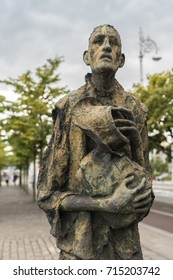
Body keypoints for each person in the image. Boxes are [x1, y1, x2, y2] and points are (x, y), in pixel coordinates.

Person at [37, 24, 154, 260]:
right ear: (87, 57)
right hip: (80, 250)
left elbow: (146, 184)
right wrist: (107, 204)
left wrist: (139, 198)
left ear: (121, 59)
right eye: (98, 41)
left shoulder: (136, 110)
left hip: (125, 251)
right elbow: (47, 195)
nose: (106, 46)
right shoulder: (68, 107)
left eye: (113, 42)